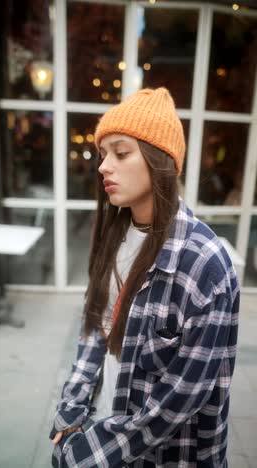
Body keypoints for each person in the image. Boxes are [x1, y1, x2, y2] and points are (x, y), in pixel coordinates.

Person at [50, 87, 239, 467]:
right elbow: (96, 330)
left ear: (160, 161)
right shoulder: (115, 235)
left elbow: (181, 397)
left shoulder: (204, 263)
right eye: (104, 155)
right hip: (101, 417)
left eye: (121, 153)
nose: (104, 166)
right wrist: (73, 408)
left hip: (166, 454)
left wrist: (91, 452)